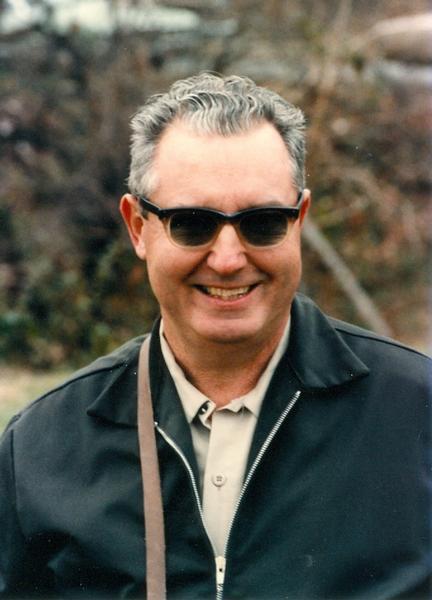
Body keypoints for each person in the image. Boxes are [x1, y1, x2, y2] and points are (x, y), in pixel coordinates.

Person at [0, 73, 431, 599]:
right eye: (191, 223)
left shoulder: (417, 414)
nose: (227, 259)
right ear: (137, 227)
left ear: (299, 221)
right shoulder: (41, 446)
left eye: (263, 221)